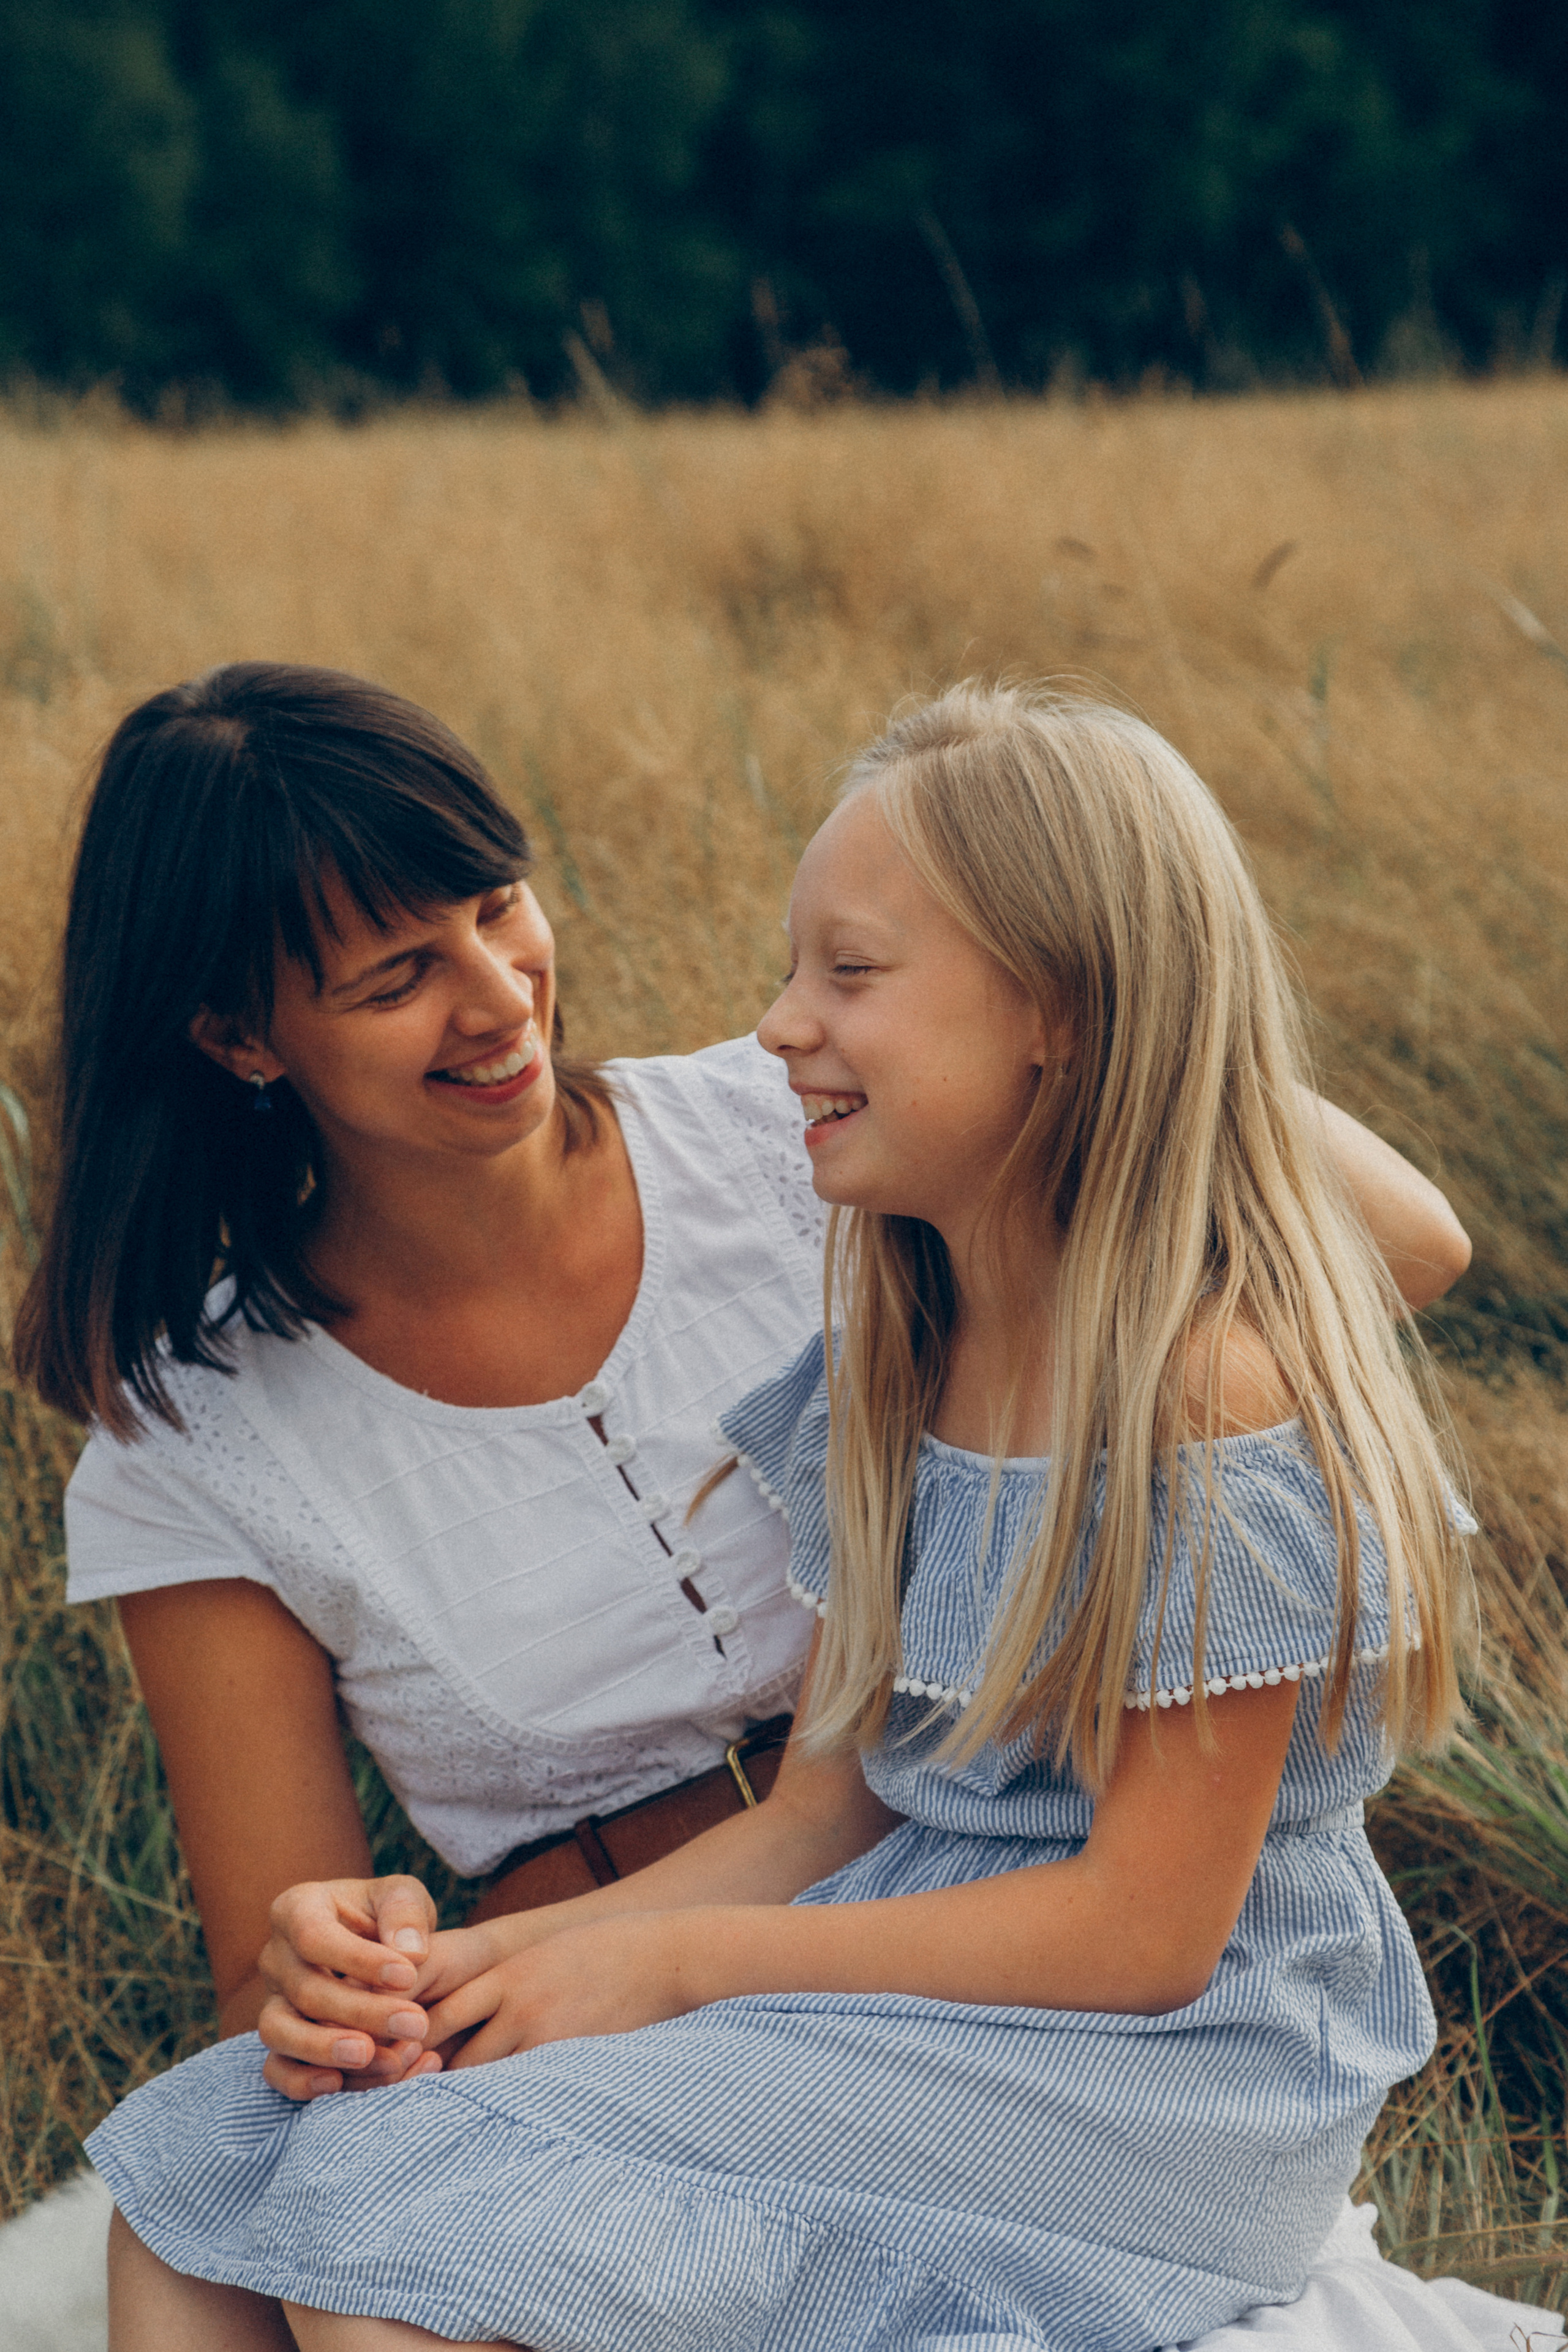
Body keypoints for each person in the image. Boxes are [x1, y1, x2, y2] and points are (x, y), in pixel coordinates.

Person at [87, 684, 1473, 2352]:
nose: (497, 993)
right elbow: (834, 1801)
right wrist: (444, 1972)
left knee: (388, 2253)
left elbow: (1146, 1927)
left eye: (500, 904)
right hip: (803, 1920)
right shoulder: (894, 1328)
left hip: (1096, 2029)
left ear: (1055, 1001)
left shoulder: (877, 1191)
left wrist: (1113, 970)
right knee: (189, 2187)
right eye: (395, 978)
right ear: (243, 1042)